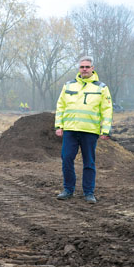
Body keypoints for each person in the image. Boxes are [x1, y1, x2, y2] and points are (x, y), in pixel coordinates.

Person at [54, 56, 112, 204]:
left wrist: (105, 130)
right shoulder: (68, 86)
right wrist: (59, 125)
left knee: (89, 162)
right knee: (66, 159)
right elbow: (60, 106)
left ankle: (89, 193)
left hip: (90, 131)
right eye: (82, 67)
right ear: (79, 69)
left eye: (87, 67)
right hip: (70, 130)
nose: (84, 69)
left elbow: (106, 109)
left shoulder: (101, 87)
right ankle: (68, 190)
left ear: (92, 68)